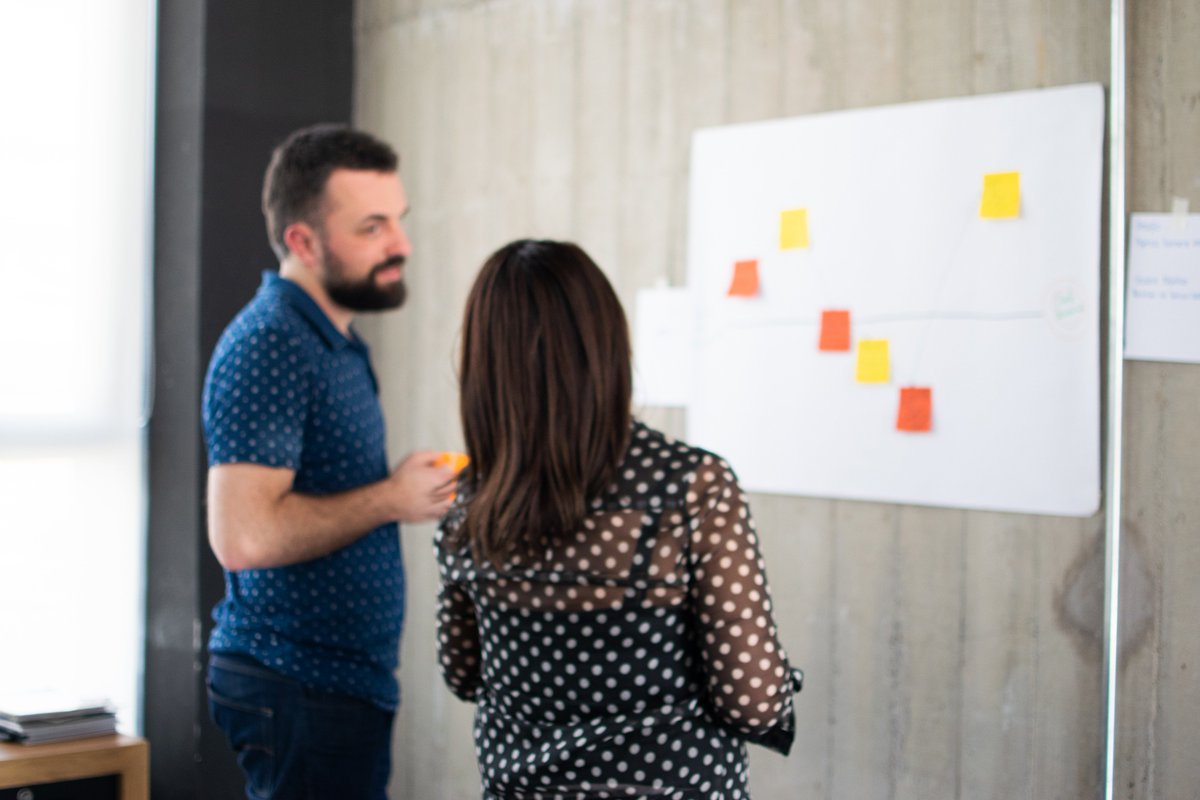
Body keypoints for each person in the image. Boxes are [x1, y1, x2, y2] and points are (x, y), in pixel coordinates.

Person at [436, 239, 803, 799]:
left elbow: (463, 674)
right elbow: (751, 702)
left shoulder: (469, 497)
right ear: (608, 345)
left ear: (484, 366)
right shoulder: (691, 487)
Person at [201, 123, 458, 800]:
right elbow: (243, 536)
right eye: (372, 227)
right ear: (302, 241)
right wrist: (391, 499)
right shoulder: (271, 343)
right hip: (298, 684)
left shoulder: (334, 341)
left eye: (398, 221)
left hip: (336, 685)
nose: (400, 244)